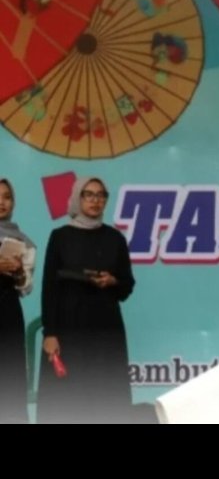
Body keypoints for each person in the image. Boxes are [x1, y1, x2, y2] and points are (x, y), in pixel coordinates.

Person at [37, 177, 136, 424]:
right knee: (67, 403)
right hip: (68, 329)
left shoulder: (115, 239)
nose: (95, 200)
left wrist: (113, 281)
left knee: (106, 400)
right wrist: (50, 333)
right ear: (77, 198)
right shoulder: (60, 236)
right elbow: (49, 287)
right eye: (88, 194)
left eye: (101, 195)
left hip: (106, 332)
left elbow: (127, 286)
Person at [0, 179, 35, 424]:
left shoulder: (23, 241)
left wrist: (19, 271)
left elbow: (26, 288)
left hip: (8, 312)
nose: (1, 202)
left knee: (10, 379)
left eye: (7, 197)